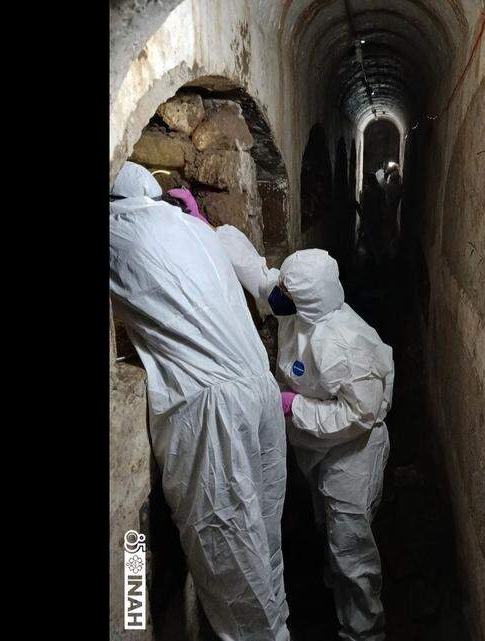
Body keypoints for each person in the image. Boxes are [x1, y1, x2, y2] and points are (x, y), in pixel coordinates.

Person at [108, 161, 290, 641]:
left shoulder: (120, 232)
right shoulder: (196, 229)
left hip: (214, 411)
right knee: (265, 554)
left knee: (237, 577)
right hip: (258, 389)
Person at [216, 226, 394, 641]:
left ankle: (363, 630)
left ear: (309, 302)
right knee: (327, 528)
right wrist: (211, 232)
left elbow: (359, 415)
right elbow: (261, 278)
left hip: (352, 455)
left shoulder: (349, 347)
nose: (276, 298)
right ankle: (333, 590)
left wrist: (294, 407)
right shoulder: (300, 307)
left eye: (287, 295)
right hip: (315, 449)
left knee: (352, 550)